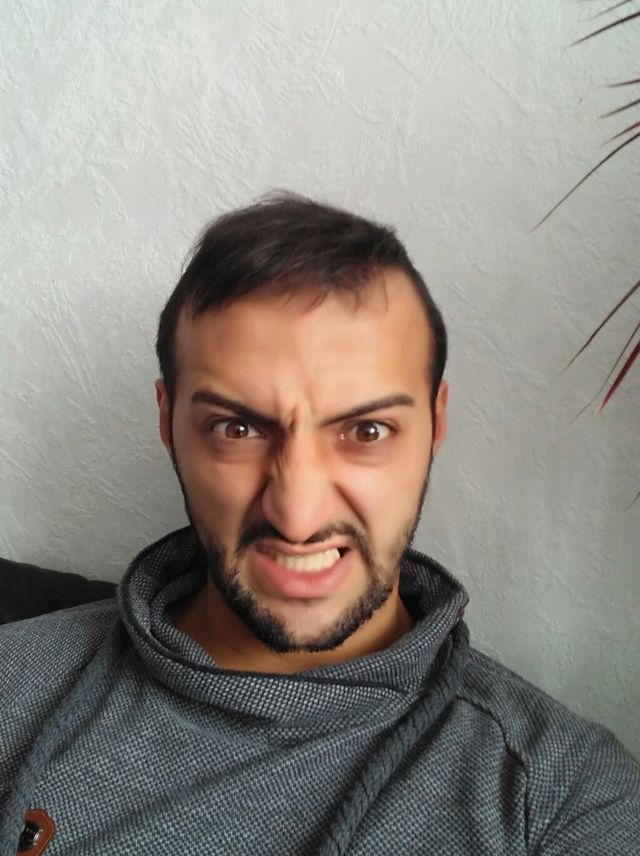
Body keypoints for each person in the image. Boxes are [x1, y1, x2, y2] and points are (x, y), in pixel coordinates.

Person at [0, 193, 638, 855]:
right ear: (168, 422)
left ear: (435, 425)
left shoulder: (563, 801)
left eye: (367, 431)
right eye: (236, 429)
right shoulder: (13, 684)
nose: (298, 516)